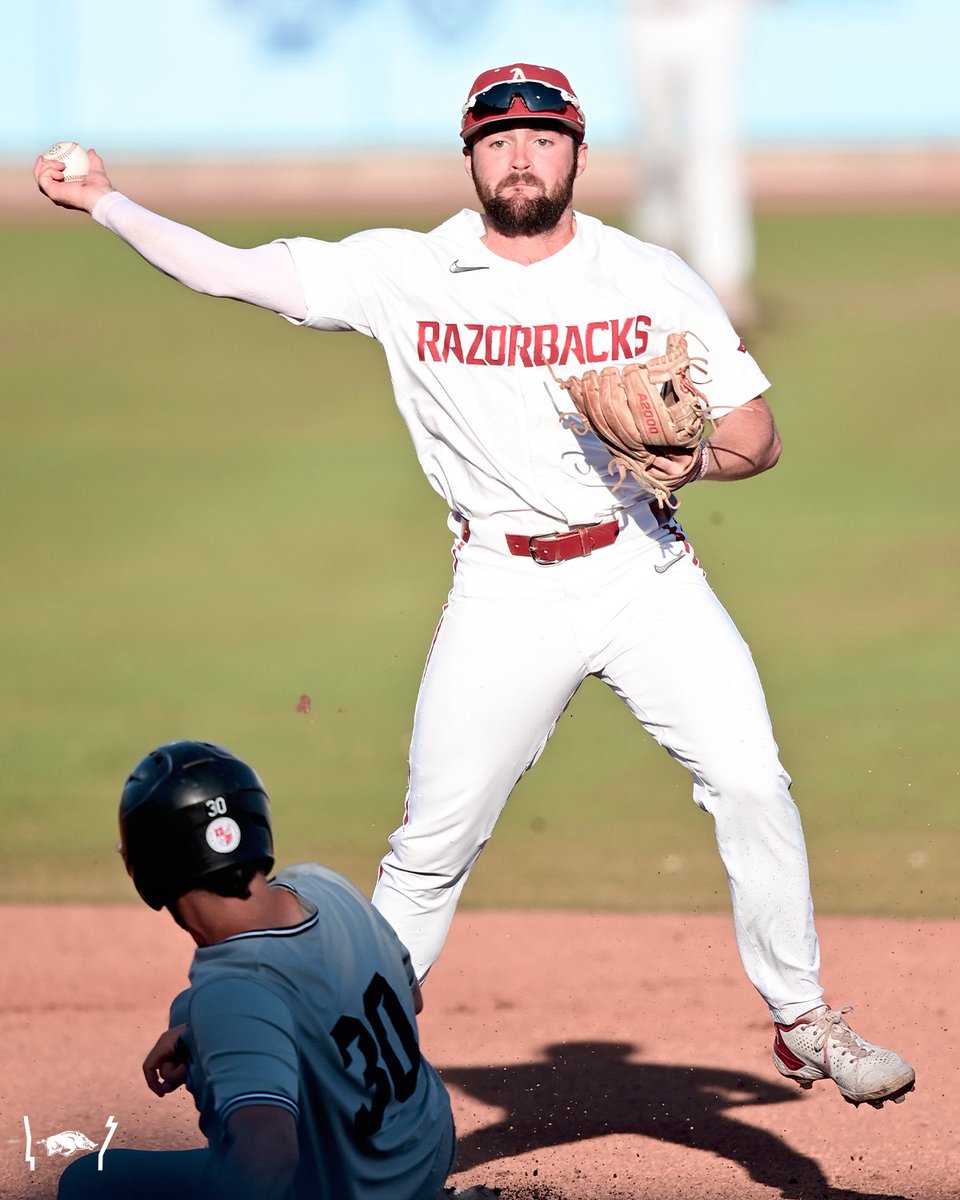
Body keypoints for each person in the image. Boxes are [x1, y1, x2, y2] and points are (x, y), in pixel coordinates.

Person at [36, 62, 915, 1109]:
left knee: (751, 779)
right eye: (497, 140)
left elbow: (758, 438)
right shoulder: (408, 270)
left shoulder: (647, 274)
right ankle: (327, 1041)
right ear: (470, 159)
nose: (521, 158)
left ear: (580, 154)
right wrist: (104, 201)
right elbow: (229, 270)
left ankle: (802, 1016)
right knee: (430, 850)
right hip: (506, 590)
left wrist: (696, 462)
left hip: (645, 572)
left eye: (543, 140)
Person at [56, 740, 496, 1200]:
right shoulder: (322, 884)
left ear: (149, 868)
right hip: (424, 1148)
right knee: (188, 1012)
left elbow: (268, 1162)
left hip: (358, 1189)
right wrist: (199, 1035)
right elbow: (411, 1001)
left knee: (89, 1183)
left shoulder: (230, 991)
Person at [622, 0, 759, 328]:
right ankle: (655, 263)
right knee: (656, 147)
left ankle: (723, 279)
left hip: (713, 14)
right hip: (646, 14)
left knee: (711, 145)